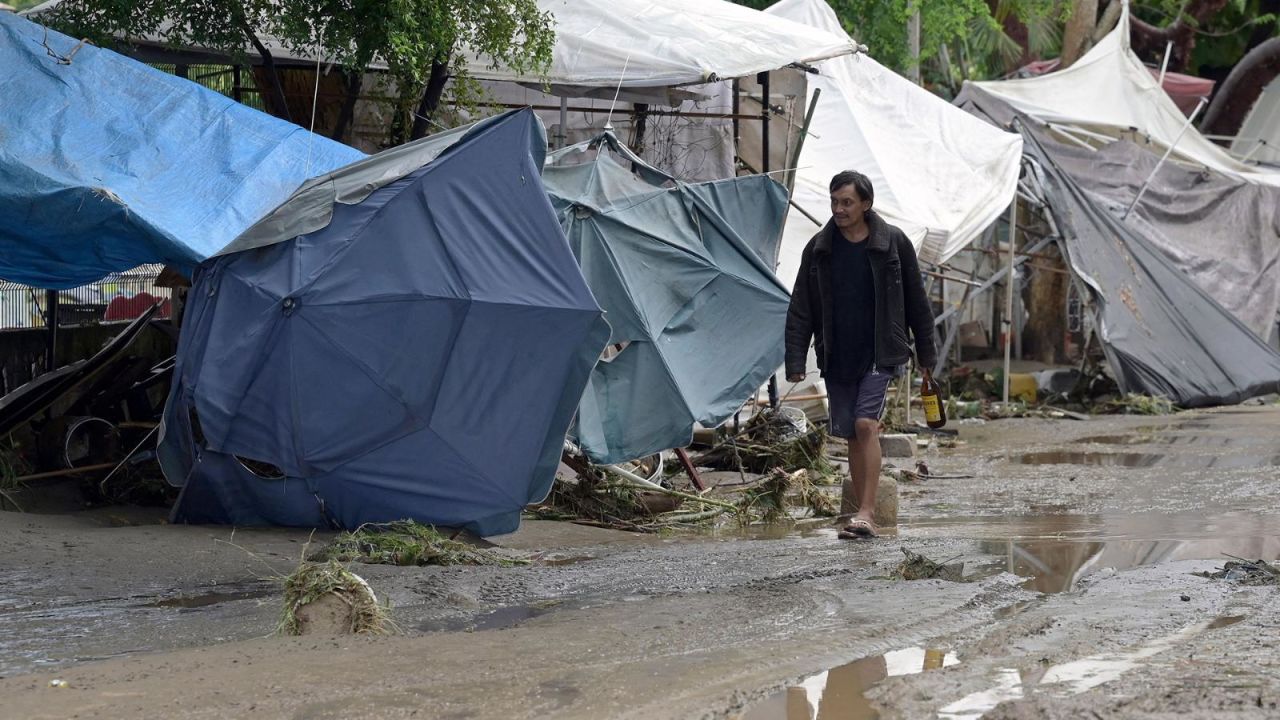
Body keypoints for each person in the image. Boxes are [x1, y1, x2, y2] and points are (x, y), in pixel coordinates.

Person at [784, 170, 936, 539]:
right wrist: (794, 359)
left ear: (866, 204)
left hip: (880, 350)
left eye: (847, 202)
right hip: (837, 351)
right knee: (853, 431)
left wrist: (927, 356)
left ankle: (866, 513)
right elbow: (801, 306)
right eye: (834, 201)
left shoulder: (893, 243)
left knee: (867, 424)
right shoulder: (820, 248)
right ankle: (858, 513)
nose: (839, 209)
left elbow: (916, 300)